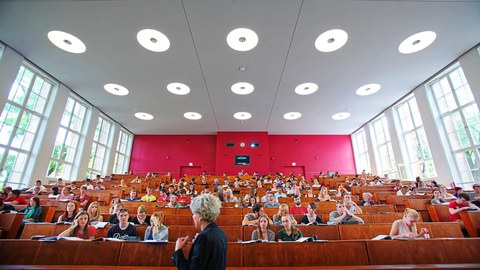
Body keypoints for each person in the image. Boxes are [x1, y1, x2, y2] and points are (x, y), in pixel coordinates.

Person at [172, 194, 227, 270]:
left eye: (194, 214)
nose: (193, 216)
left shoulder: (204, 237)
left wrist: (178, 251)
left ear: (200, 216)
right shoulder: (220, 232)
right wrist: (198, 245)